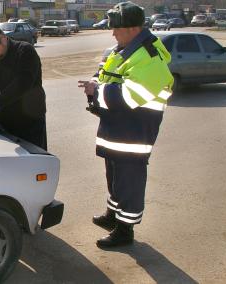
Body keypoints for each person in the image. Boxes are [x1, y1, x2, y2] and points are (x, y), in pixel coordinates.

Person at [78, 1, 174, 248]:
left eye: (116, 29)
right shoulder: (124, 49)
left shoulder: (149, 57)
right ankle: (113, 216)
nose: (112, 33)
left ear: (132, 29)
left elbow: (130, 96)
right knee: (114, 176)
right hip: (118, 127)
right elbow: (105, 76)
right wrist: (94, 84)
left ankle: (125, 230)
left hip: (135, 131)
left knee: (129, 180)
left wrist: (96, 90)